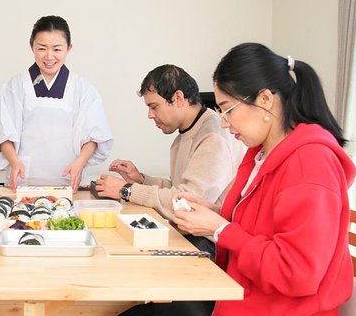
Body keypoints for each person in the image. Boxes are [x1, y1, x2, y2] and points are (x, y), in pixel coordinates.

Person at [97, 43, 356, 316]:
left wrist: (220, 228)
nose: (223, 122)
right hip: (256, 303)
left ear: (265, 100)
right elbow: (258, 224)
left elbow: (298, 272)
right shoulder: (261, 156)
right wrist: (216, 212)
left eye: (228, 109)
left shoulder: (310, 163)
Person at [95, 64, 244, 253]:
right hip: (190, 232)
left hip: (208, 243)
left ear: (178, 98)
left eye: (154, 106)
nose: (150, 115)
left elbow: (188, 203)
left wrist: (127, 191)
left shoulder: (212, 137)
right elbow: (179, 189)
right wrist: (141, 179)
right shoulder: (184, 135)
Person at [0, 15, 113, 192]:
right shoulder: (16, 86)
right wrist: (14, 162)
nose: (49, 56)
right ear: (32, 47)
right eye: (42, 48)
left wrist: (80, 163)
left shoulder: (83, 88)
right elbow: (2, 132)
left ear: (69, 48)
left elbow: (94, 135)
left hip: (70, 181)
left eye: (57, 49)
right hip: (23, 181)